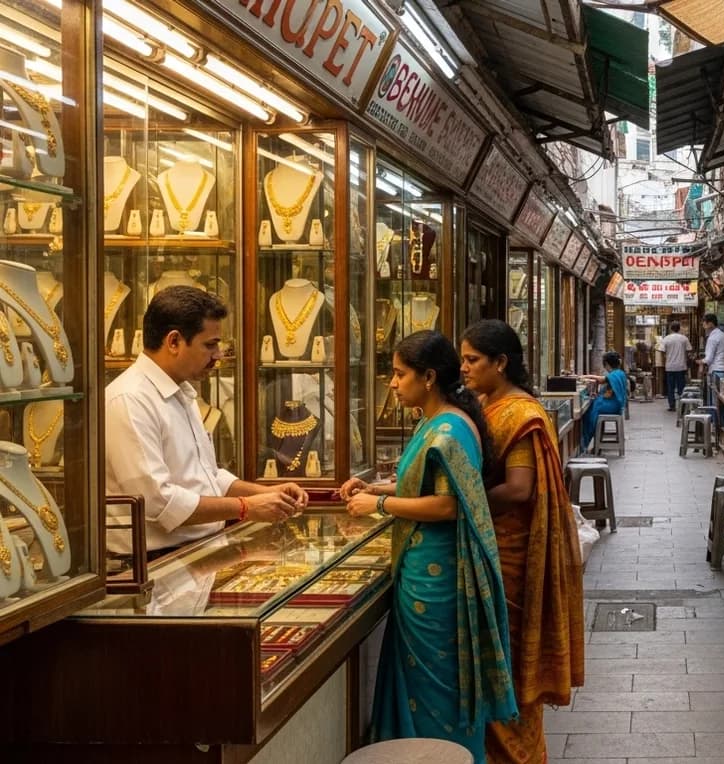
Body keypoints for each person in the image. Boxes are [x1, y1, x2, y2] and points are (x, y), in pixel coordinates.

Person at [338, 330, 516, 759]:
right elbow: (420, 484)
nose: (393, 384)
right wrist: (376, 486)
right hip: (421, 569)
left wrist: (379, 503)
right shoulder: (433, 422)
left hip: (436, 581)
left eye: (400, 374)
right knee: (420, 680)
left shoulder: (450, 430)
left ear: (429, 377)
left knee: (437, 684)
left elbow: (448, 505)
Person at [460, 319, 586, 762]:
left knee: (508, 668)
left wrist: (460, 502)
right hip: (490, 545)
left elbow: (518, 489)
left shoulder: (520, 414)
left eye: (473, 359)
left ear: (500, 362)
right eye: (462, 359)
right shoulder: (485, 405)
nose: (464, 367)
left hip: (510, 556)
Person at [106, 286, 308, 558]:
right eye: (210, 345)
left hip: (196, 552)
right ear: (174, 342)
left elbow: (207, 477)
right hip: (155, 563)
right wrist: (246, 507)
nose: (218, 355)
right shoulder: (130, 400)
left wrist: (267, 494)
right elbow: (157, 502)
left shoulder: (181, 393)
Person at [577, 351, 628, 454]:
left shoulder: (614, 374)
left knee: (591, 411)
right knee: (594, 405)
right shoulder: (620, 373)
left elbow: (601, 380)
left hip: (613, 405)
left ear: (607, 364)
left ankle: (584, 443)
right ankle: (586, 442)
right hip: (616, 404)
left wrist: (584, 376)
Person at [701, 313, 724, 432]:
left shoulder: (712, 338)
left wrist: (700, 362)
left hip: (716, 371)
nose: (703, 325)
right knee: (722, 400)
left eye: (704, 323)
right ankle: (723, 424)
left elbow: (708, 359)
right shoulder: (723, 335)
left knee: (715, 401)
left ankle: (715, 426)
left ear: (710, 323)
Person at [658, 320, 692, 411]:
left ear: (670, 329)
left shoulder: (666, 339)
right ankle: (683, 406)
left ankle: (672, 405)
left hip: (670, 367)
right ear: (679, 328)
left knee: (670, 387)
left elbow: (662, 352)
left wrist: (664, 362)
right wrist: (686, 360)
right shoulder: (684, 338)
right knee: (681, 387)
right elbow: (689, 351)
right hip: (681, 366)